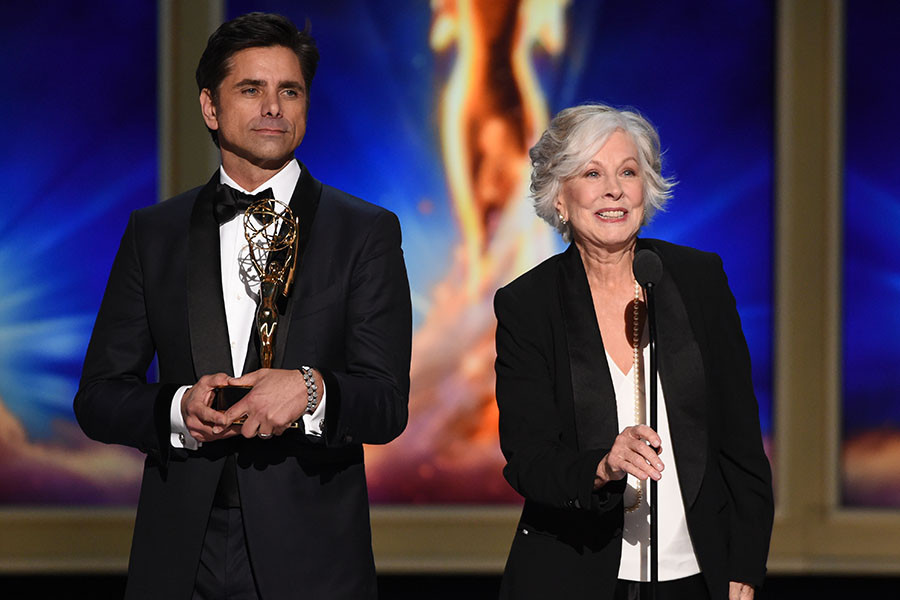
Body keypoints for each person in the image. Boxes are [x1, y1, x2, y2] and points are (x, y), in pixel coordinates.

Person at [74, 12, 411, 599]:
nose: (273, 107)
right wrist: (178, 408)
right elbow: (99, 397)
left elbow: (385, 404)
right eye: (251, 89)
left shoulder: (365, 232)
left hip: (313, 560)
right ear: (210, 107)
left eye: (290, 90)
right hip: (181, 555)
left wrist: (309, 390)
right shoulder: (153, 232)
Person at [493, 103, 773, 600]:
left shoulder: (700, 280)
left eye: (628, 171)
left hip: (699, 576)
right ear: (559, 196)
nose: (614, 189)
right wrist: (602, 466)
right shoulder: (527, 305)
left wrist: (745, 568)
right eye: (591, 173)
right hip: (577, 576)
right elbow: (529, 460)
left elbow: (741, 444)